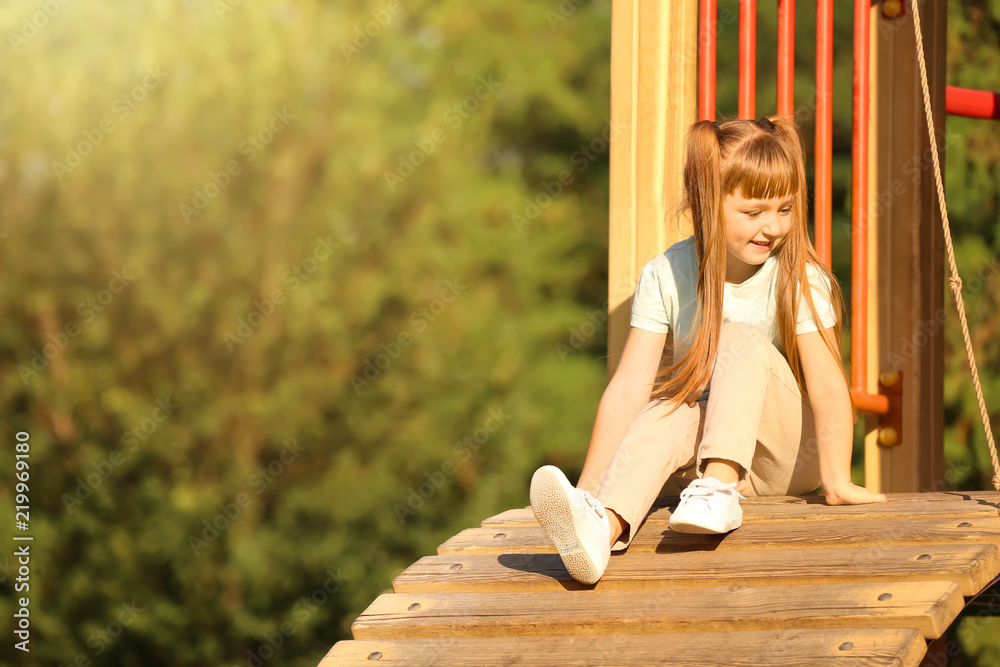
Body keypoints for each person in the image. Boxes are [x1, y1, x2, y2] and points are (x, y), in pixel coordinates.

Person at [529, 115, 887, 586]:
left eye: (784, 209)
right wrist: (587, 489)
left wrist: (837, 481)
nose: (773, 226)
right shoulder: (667, 274)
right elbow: (628, 389)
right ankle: (602, 527)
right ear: (708, 203)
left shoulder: (799, 277)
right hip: (695, 469)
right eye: (754, 212)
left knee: (738, 338)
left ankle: (720, 487)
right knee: (667, 407)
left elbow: (827, 386)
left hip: (784, 458)